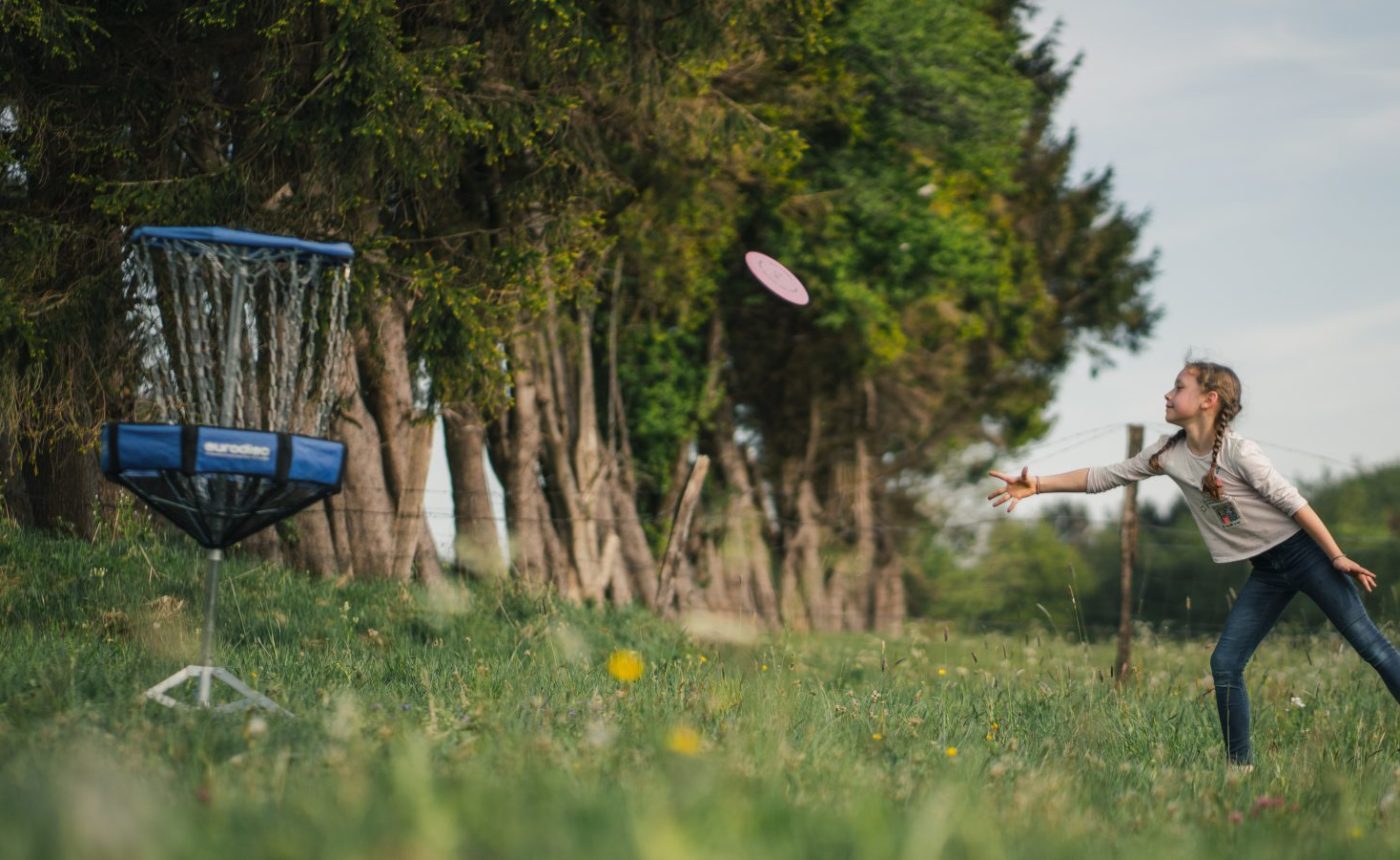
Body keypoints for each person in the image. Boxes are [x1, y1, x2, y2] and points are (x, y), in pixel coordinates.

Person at [986, 359, 1400, 767]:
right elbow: (1105, 477)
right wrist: (1038, 484)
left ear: (1209, 399)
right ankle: (1240, 770)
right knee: (1225, 663)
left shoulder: (1240, 453)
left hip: (1307, 556)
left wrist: (1336, 556)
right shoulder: (1169, 454)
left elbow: (1294, 504)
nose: (1167, 395)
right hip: (1268, 572)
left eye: (1178, 387)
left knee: (1374, 650)